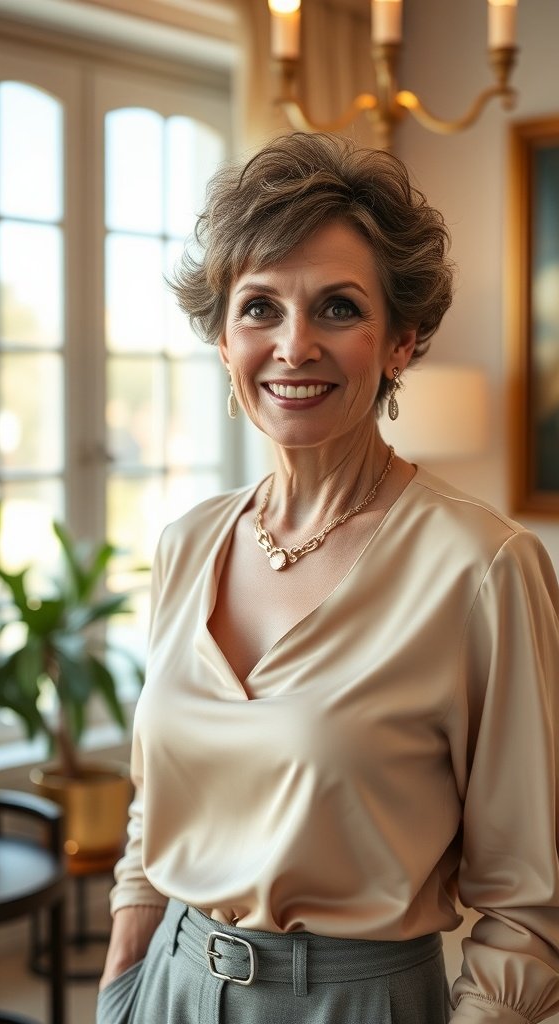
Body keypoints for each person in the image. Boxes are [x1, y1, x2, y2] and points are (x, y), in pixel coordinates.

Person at [98, 132, 559, 1024]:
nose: (293, 344)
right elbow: (153, 809)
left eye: (339, 308)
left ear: (402, 341)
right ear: (225, 338)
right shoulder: (187, 543)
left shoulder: (484, 568)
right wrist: (125, 969)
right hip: (166, 988)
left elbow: (528, 905)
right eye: (259, 308)